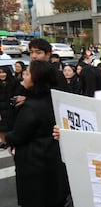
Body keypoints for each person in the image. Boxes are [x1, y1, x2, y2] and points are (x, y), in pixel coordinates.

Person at [5, 60, 71, 207]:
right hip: (53, 159)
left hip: (33, 163)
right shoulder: (54, 100)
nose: (24, 76)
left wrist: (8, 139)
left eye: (27, 73)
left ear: (37, 79)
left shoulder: (30, 107)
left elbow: (18, 135)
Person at [0, 66, 18, 149]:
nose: (2, 74)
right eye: (0, 73)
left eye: (4, 72)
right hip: (1, 110)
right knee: (2, 127)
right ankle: (4, 142)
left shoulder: (14, 82)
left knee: (12, 126)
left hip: (11, 109)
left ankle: (12, 141)